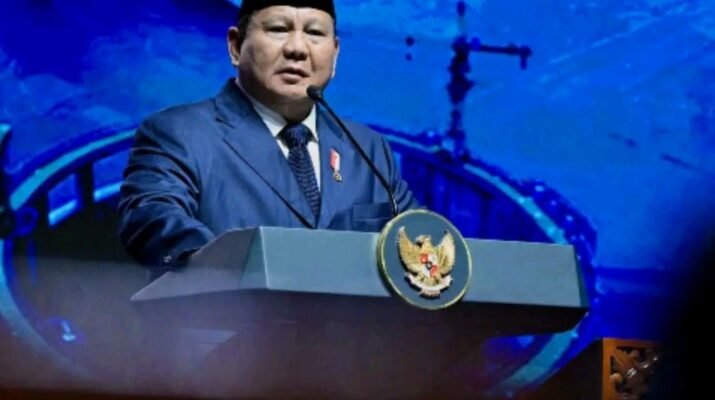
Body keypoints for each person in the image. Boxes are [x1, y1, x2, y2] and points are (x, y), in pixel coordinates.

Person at [117, 0, 418, 268]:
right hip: (231, 312)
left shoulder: (369, 150)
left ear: (335, 54)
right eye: (278, 29)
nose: (297, 49)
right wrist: (239, 269)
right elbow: (154, 218)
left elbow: (424, 244)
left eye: (314, 33)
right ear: (236, 46)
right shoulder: (179, 133)